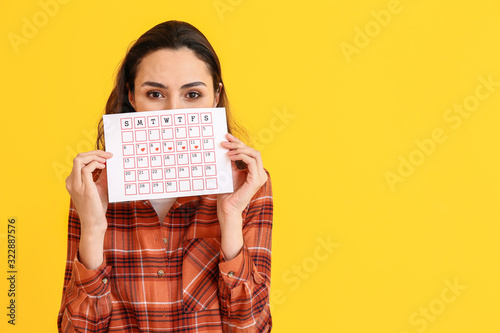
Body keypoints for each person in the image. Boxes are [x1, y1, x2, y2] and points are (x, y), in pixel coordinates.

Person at [57, 20, 273, 332]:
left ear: (215, 97)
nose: (174, 112)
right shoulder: (94, 188)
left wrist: (231, 218)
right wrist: (92, 228)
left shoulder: (248, 183)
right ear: (131, 96)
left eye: (193, 94)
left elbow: (251, 327)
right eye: (155, 94)